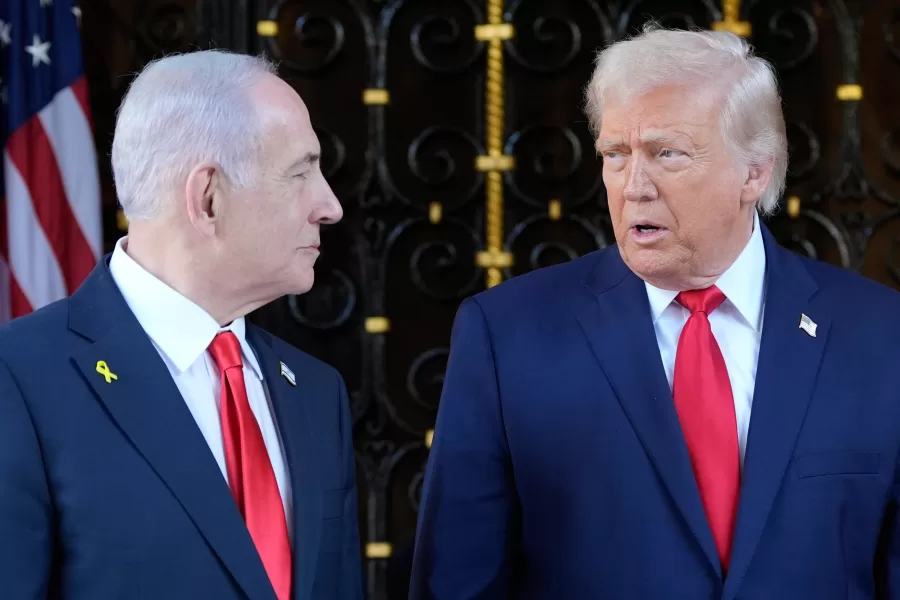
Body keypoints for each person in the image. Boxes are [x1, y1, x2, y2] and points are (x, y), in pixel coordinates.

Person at [410, 24, 900, 599]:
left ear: (755, 171)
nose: (633, 185)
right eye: (615, 154)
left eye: (667, 153)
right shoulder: (508, 335)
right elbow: (458, 580)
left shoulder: (879, 334)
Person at [0, 50, 363, 600]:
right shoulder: (20, 379)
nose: (329, 205)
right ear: (208, 198)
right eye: (300, 173)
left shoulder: (315, 392)